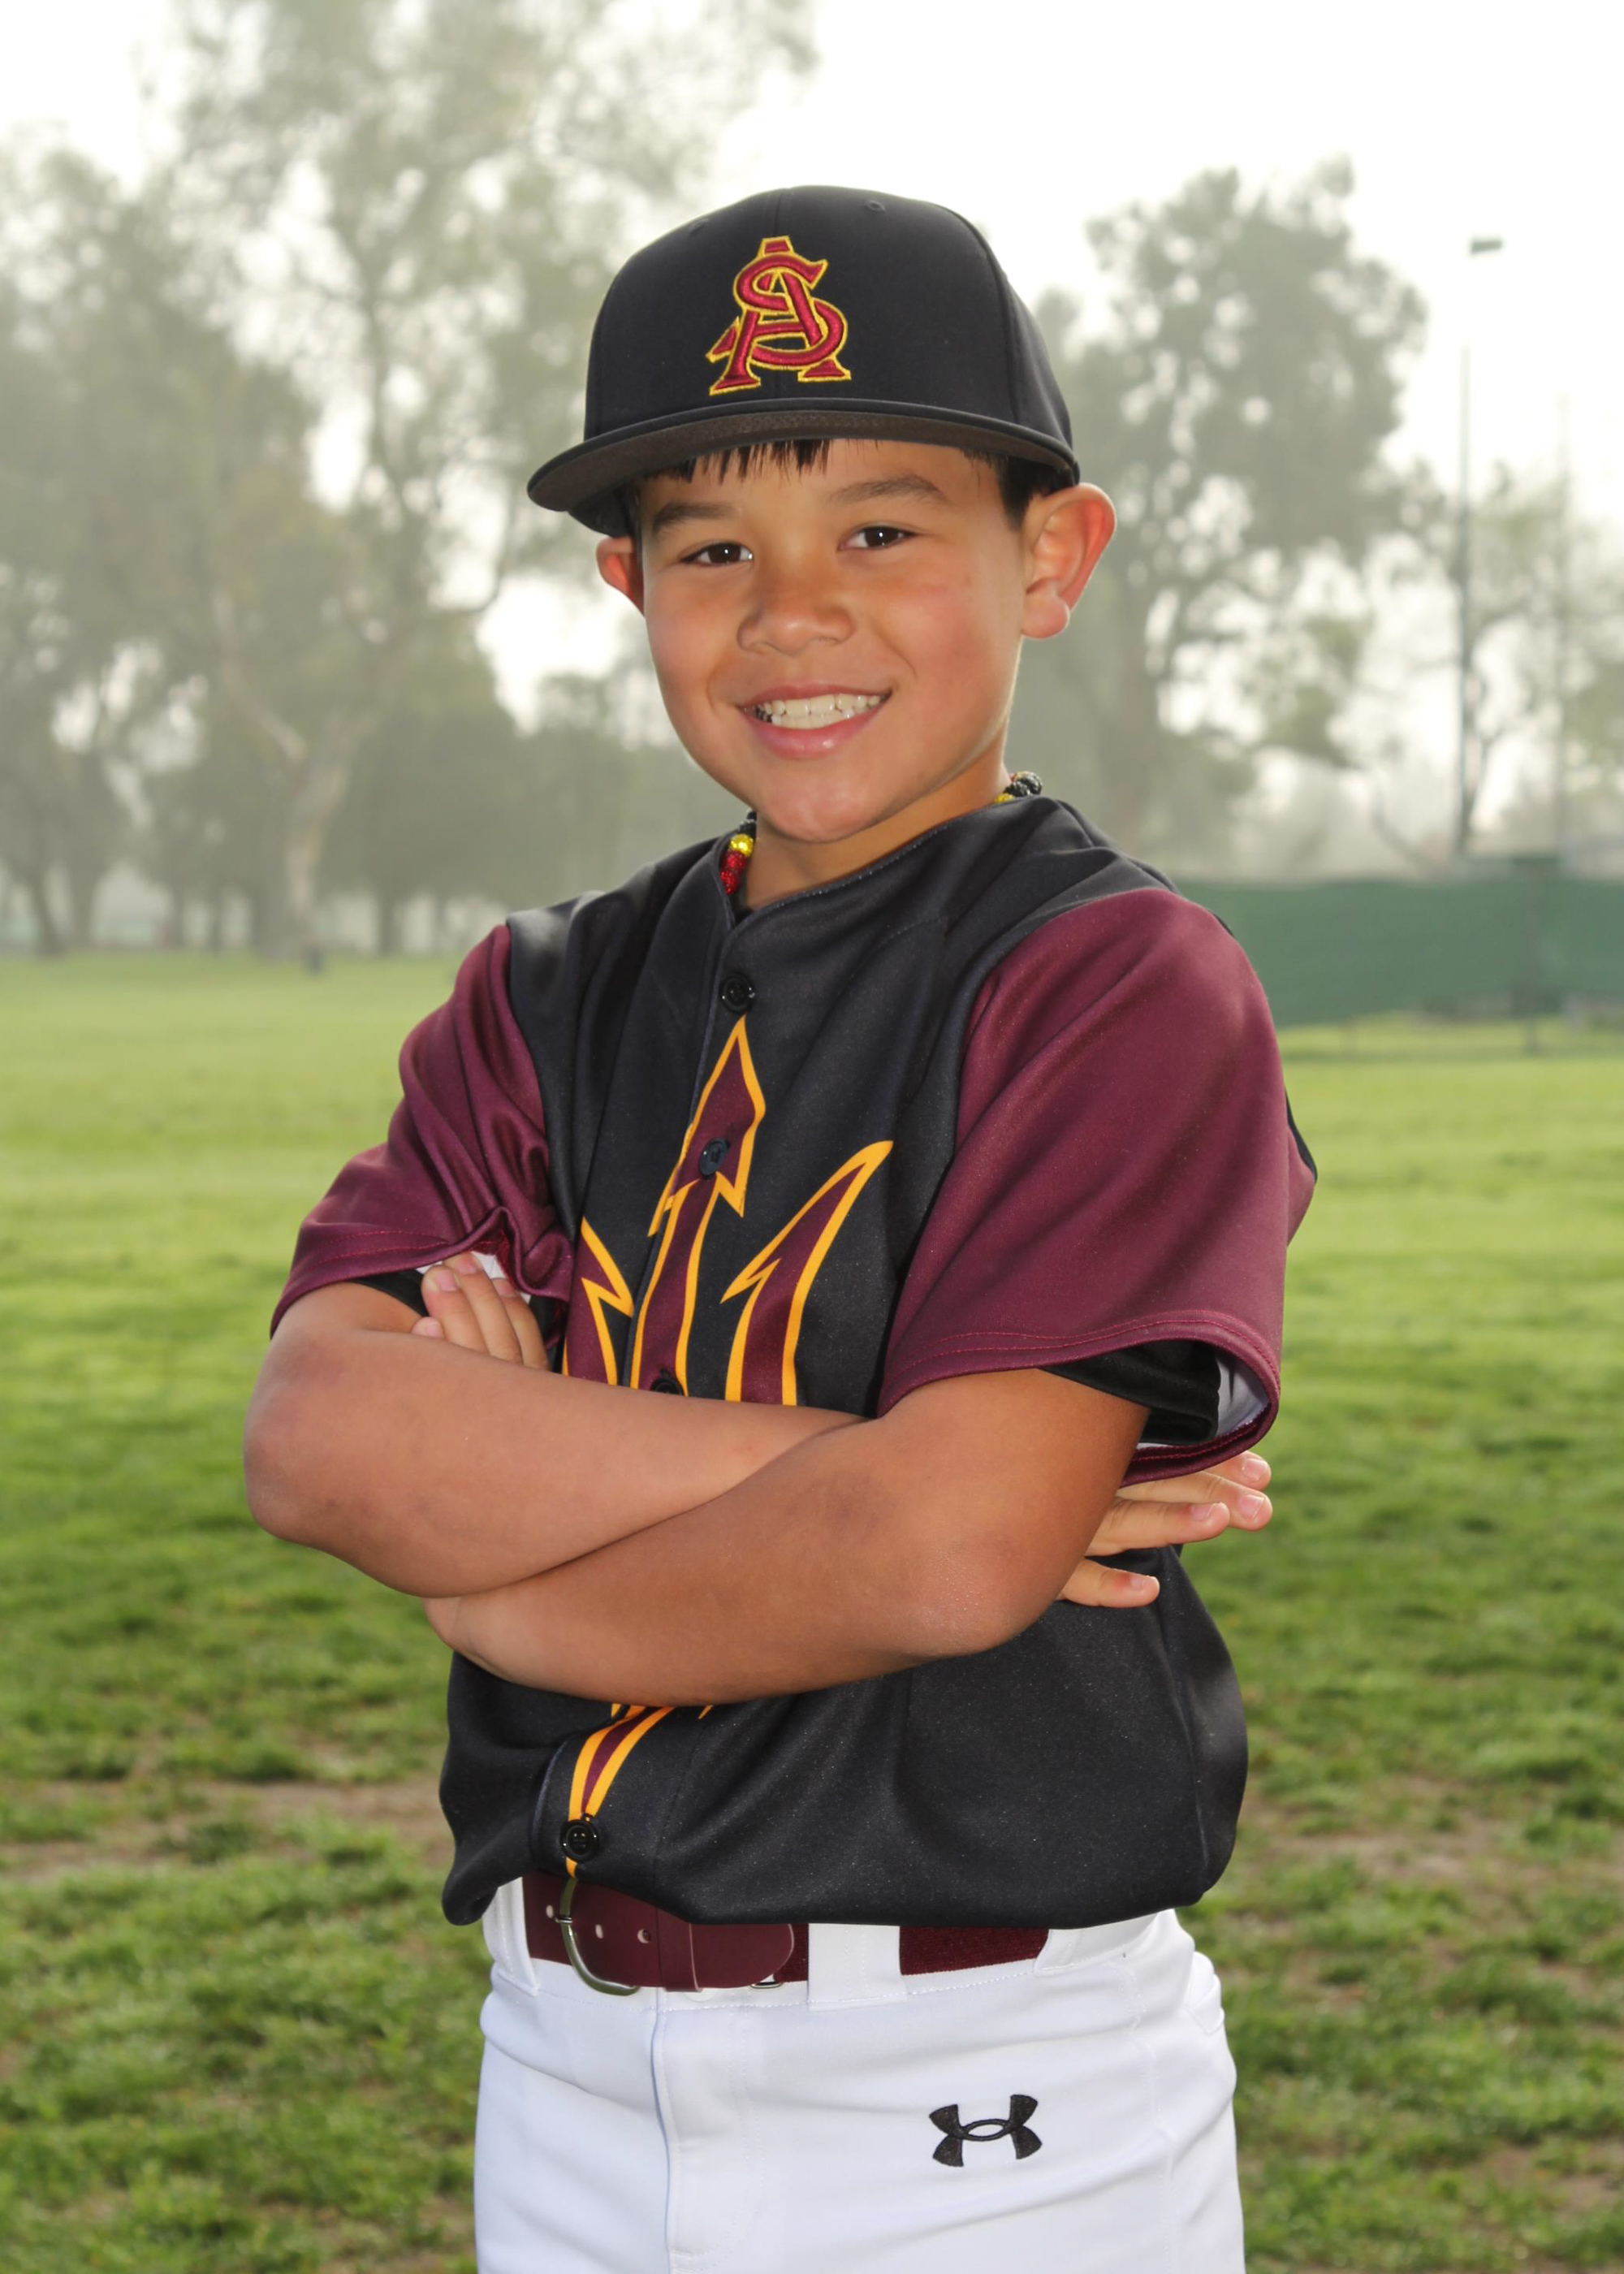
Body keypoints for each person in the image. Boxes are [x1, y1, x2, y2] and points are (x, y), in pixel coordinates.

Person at [245, 184, 1316, 2273]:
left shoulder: (1114, 983)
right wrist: (865, 1467)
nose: (792, 613)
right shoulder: (544, 991)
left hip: (986, 2098)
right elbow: (318, 1439)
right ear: (626, 581)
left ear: (1051, 556)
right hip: (566, 2062)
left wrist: (499, 1589)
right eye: (712, 547)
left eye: (882, 528)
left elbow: (939, 1558)